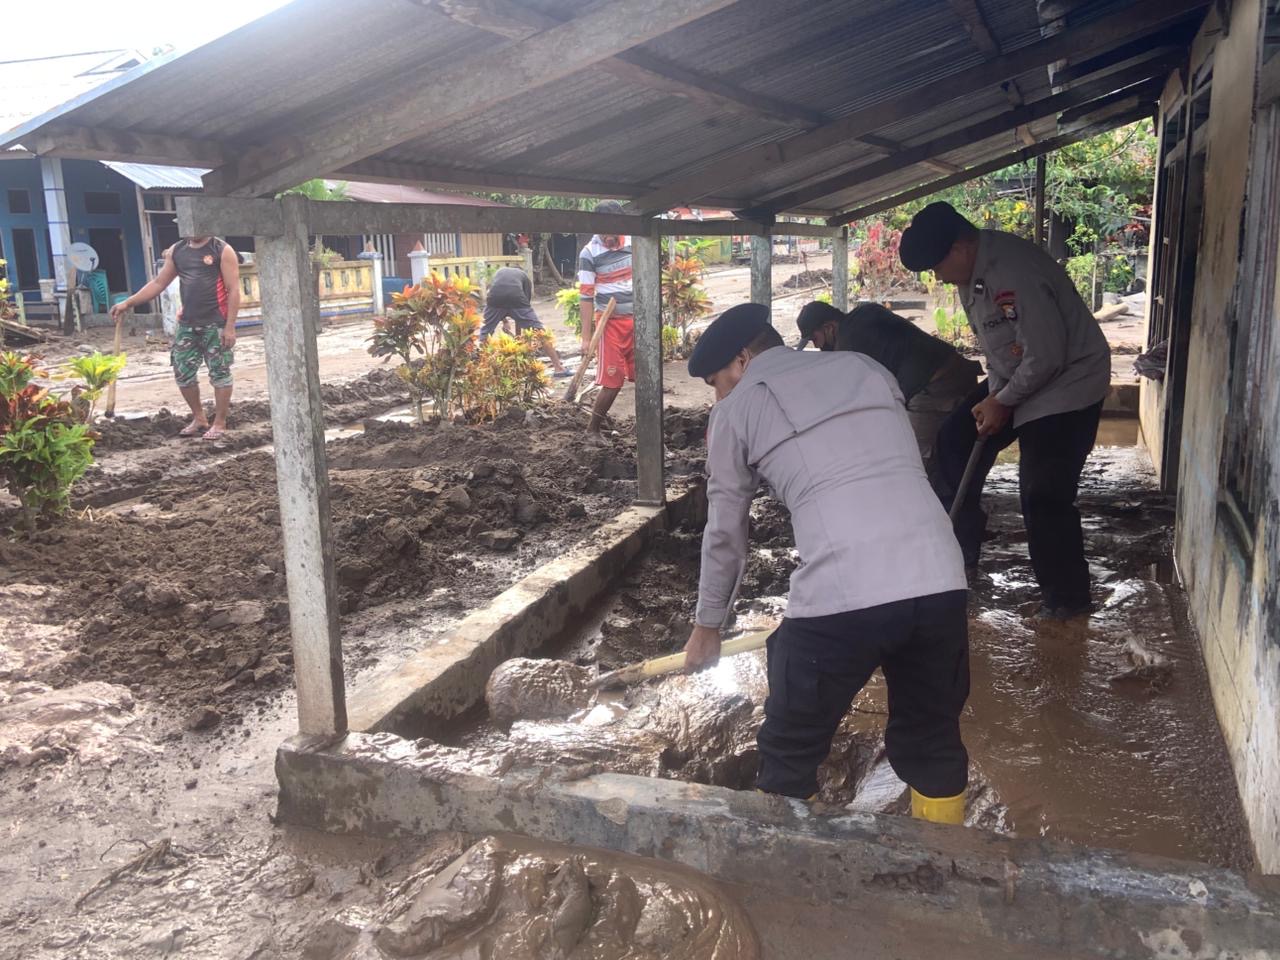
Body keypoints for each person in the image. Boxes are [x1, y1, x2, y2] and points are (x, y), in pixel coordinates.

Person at [683, 303, 971, 824]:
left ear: (742, 360)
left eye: (716, 383)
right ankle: (946, 863)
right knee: (933, 742)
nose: (718, 397)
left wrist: (707, 627)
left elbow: (726, 532)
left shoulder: (736, 409)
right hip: (940, 576)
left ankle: (793, 866)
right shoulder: (865, 368)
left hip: (843, 588)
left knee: (788, 752)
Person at [899, 202, 1111, 619]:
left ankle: (1067, 602)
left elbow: (1047, 356)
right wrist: (993, 400)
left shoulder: (1013, 271)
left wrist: (1003, 401)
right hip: (1020, 378)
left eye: (937, 266)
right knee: (956, 439)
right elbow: (1001, 349)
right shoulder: (971, 275)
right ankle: (959, 553)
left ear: (960, 247)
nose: (937, 277)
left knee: (1042, 491)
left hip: (1067, 382)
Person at [796, 299, 981, 479]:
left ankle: (936, 498)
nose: (817, 346)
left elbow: (856, 400)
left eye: (815, 339)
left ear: (829, 328)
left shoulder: (848, 343)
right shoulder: (866, 312)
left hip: (936, 388)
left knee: (915, 464)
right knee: (956, 450)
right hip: (959, 371)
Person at [110, 236, 240, 440]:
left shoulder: (222, 249)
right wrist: (128, 303)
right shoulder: (177, 250)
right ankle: (199, 418)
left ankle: (219, 423)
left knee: (220, 372)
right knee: (182, 372)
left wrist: (230, 327)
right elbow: (159, 283)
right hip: (187, 324)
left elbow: (233, 289)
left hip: (216, 323)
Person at [578, 200, 634, 434]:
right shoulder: (589, 253)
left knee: (647, 377)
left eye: (613, 231)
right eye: (604, 232)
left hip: (638, 320)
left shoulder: (635, 242)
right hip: (609, 324)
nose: (608, 238)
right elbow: (586, 296)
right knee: (612, 380)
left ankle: (648, 429)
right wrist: (586, 338)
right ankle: (593, 429)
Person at [481, 265, 570, 377]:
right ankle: (559, 368)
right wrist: (521, 339)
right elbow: (523, 308)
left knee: (486, 333)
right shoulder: (524, 276)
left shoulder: (499, 272)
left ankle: (482, 370)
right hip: (516, 298)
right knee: (540, 332)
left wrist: (505, 322)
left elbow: (495, 292)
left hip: (494, 299)